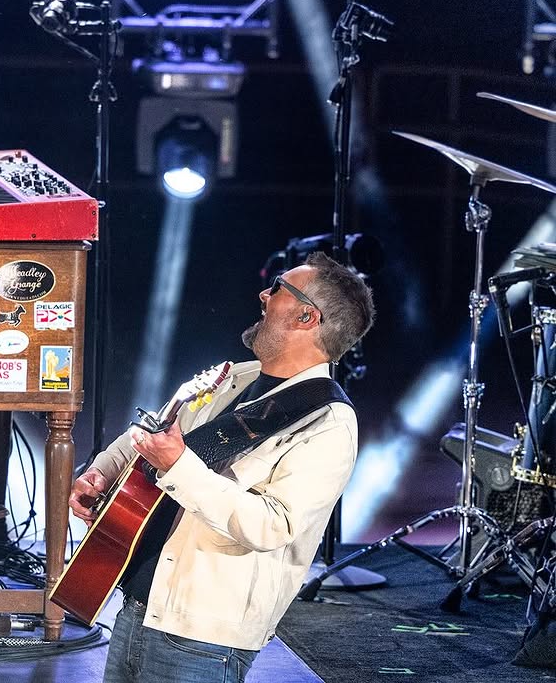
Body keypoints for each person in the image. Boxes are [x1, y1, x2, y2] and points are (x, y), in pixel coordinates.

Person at [69, 252, 375, 683]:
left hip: (203, 638)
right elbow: (153, 431)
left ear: (307, 316)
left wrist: (178, 465)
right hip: (138, 607)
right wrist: (103, 471)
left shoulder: (328, 422)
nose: (264, 294)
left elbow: (273, 525)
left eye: (278, 288)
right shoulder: (236, 376)